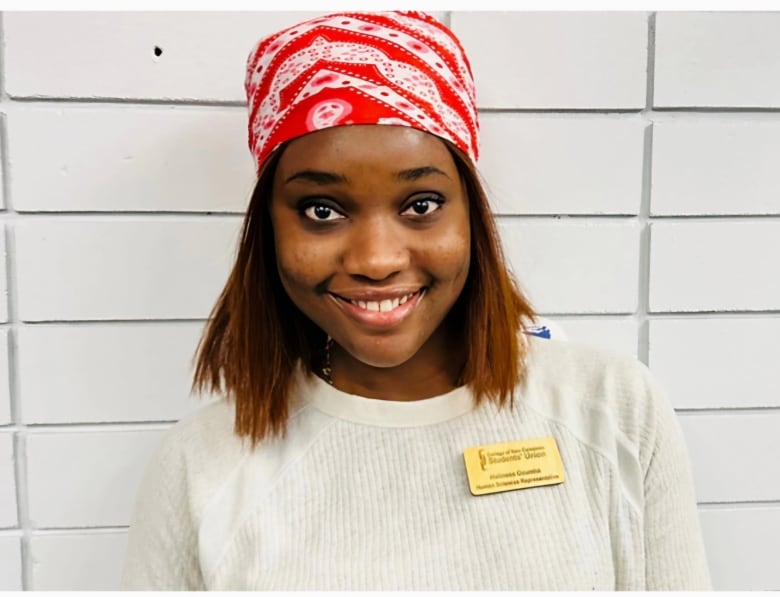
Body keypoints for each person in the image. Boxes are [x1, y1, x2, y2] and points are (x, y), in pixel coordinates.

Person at [121, 11, 711, 590]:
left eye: (421, 204)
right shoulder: (201, 466)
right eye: (321, 211)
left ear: (472, 218)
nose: (377, 260)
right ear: (268, 233)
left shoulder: (612, 408)